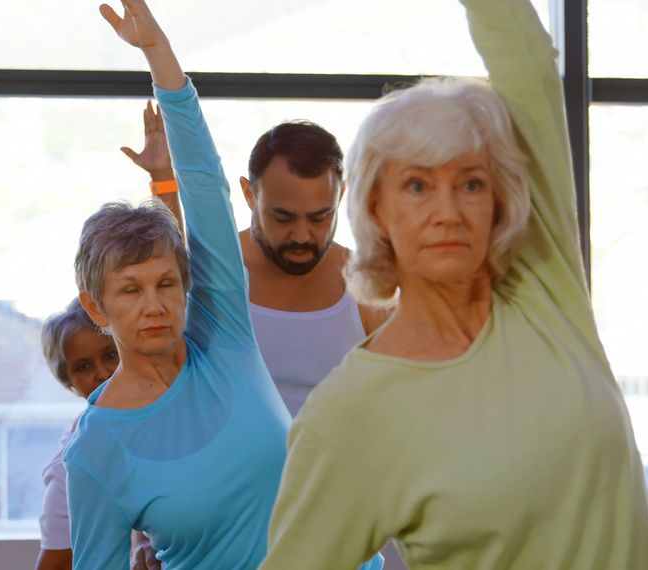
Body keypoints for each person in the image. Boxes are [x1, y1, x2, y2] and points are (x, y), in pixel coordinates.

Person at [260, 0, 648, 568]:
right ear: (374, 207)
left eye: (471, 184)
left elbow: (528, 64)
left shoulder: (543, 289)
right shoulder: (348, 414)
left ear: (497, 200)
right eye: (416, 186)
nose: (448, 211)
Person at [64, 2, 383, 569]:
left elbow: (204, 181)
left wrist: (158, 54)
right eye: (130, 291)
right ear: (96, 306)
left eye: (166, 283)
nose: (156, 304)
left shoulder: (223, 339)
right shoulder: (96, 449)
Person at [123, 103, 389, 416]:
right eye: (283, 217)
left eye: (320, 217)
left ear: (340, 196)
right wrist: (164, 178)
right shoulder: (214, 267)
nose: (302, 235)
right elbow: (168, 264)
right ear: (250, 196)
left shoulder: (371, 286)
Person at [36, 298, 120, 570]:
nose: (102, 373)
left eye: (110, 354)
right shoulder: (68, 469)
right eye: (83, 366)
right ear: (68, 381)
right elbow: (54, 562)